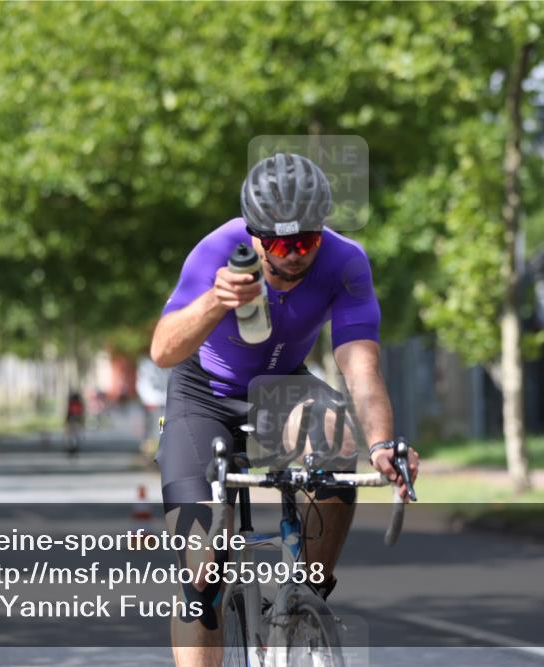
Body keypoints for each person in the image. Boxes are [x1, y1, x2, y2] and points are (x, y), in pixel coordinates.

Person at [150, 152, 419, 666]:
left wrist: (384, 443)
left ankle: (304, 599)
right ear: (254, 235)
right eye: (280, 243)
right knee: (202, 570)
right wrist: (214, 300)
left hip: (280, 387)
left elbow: (360, 369)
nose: (294, 255)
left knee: (339, 435)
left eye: (306, 241)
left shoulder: (345, 262)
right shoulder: (218, 249)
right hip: (203, 392)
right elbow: (163, 350)